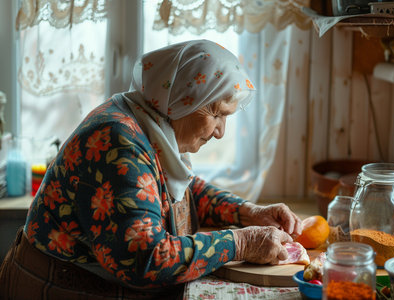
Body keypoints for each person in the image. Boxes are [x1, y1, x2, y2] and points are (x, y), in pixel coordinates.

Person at [0, 39, 302, 299]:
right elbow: (145, 259)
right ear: (183, 99)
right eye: (217, 114)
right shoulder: (118, 143)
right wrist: (241, 242)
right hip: (52, 285)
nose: (221, 131)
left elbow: (186, 190)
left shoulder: (148, 123)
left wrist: (249, 211)